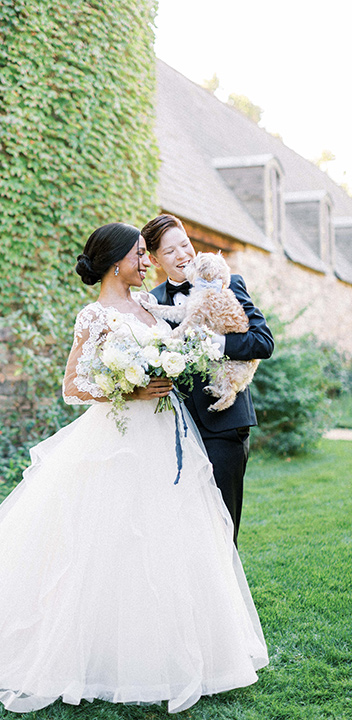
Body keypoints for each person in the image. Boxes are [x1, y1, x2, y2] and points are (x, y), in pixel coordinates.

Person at [0, 223, 268, 714]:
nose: (147, 262)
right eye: (139, 255)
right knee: (108, 537)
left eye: (148, 254)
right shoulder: (94, 314)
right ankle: (94, 648)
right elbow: (74, 385)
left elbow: (190, 341)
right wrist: (128, 388)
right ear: (115, 261)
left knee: (168, 533)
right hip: (119, 437)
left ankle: (173, 645)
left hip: (167, 433)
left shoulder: (150, 306)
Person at [141, 214, 274, 545]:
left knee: (222, 526)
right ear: (155, 259)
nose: (183, 255)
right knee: (182, 529)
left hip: (224, 424)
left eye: (184, 244)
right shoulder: (150, 302)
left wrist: (219, 345)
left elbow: (263, 342)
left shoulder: (227, 282)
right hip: (174, 429)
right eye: (170, 252)